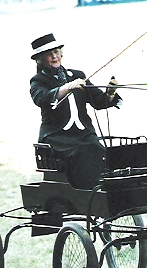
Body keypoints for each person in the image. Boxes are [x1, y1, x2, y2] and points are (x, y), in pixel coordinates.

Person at [29, 33, 122, 189]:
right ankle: (87, 190)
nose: (54, 57)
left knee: (97, 148)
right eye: (49, 54)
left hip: (83, 134)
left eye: (56, 52)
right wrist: (66, 88)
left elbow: (99, 101)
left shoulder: (78, 75)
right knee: (81, 152)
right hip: (57, 137)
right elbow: (41, 98)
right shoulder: (38, 80)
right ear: (39, 59)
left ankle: (102, 188)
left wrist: (110, 92)